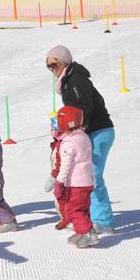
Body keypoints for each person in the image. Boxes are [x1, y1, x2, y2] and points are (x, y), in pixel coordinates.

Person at [45, 46, 116, 234]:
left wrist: (70, 127)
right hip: (87, 132)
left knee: (92, 175)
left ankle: (103, 221)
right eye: (49, 66)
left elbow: (83, 107)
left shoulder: (75, 79)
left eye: (54, 64)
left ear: (65, 62)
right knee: (83, 175)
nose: (52, 69)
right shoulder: (68, 80)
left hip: (98, 130)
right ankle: (89, 217)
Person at [53, 105, 99, 248]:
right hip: (88, 181)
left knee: (73, 210)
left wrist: (59, 182)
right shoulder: (83, 136)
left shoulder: (68, 142)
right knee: (83, 208)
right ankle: (82, 231)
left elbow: (65, 165)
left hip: (76, 183)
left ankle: (87, 233)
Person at [44, 117, 70, 230]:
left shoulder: (63, 144)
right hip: (60, 177)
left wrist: (53, 178)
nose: (51, 131)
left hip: (62, 178)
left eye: (53, 128)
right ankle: (65, 218)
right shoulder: (57, 142)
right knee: (60, 199)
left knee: (61, 199)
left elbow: (60, 163)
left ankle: (67, 219)